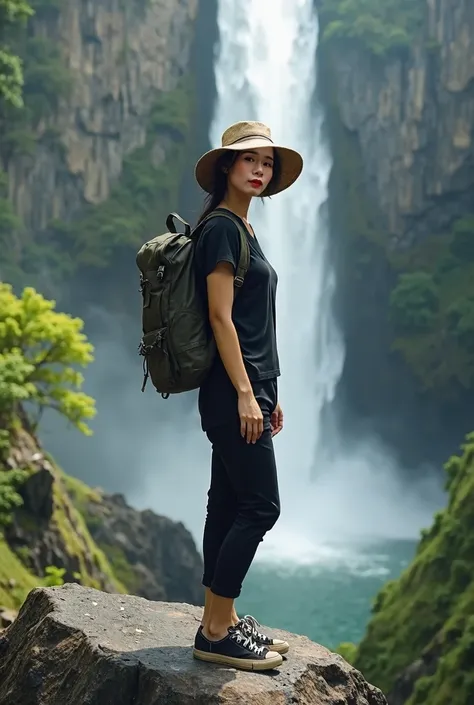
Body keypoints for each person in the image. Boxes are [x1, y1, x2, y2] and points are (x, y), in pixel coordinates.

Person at [192, 120, 303, 671]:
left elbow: (255, 321)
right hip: (231, 389)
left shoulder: (244, 230)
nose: (259, 169)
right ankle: (215, 629)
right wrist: (244, 392)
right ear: (226, 168)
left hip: (253, 384)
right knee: (262, 506)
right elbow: (219, 317)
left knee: (230, 503)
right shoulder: (220, 229)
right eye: (248, 160)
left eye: (267, 163)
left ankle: (223, 619)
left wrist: (270, 389)